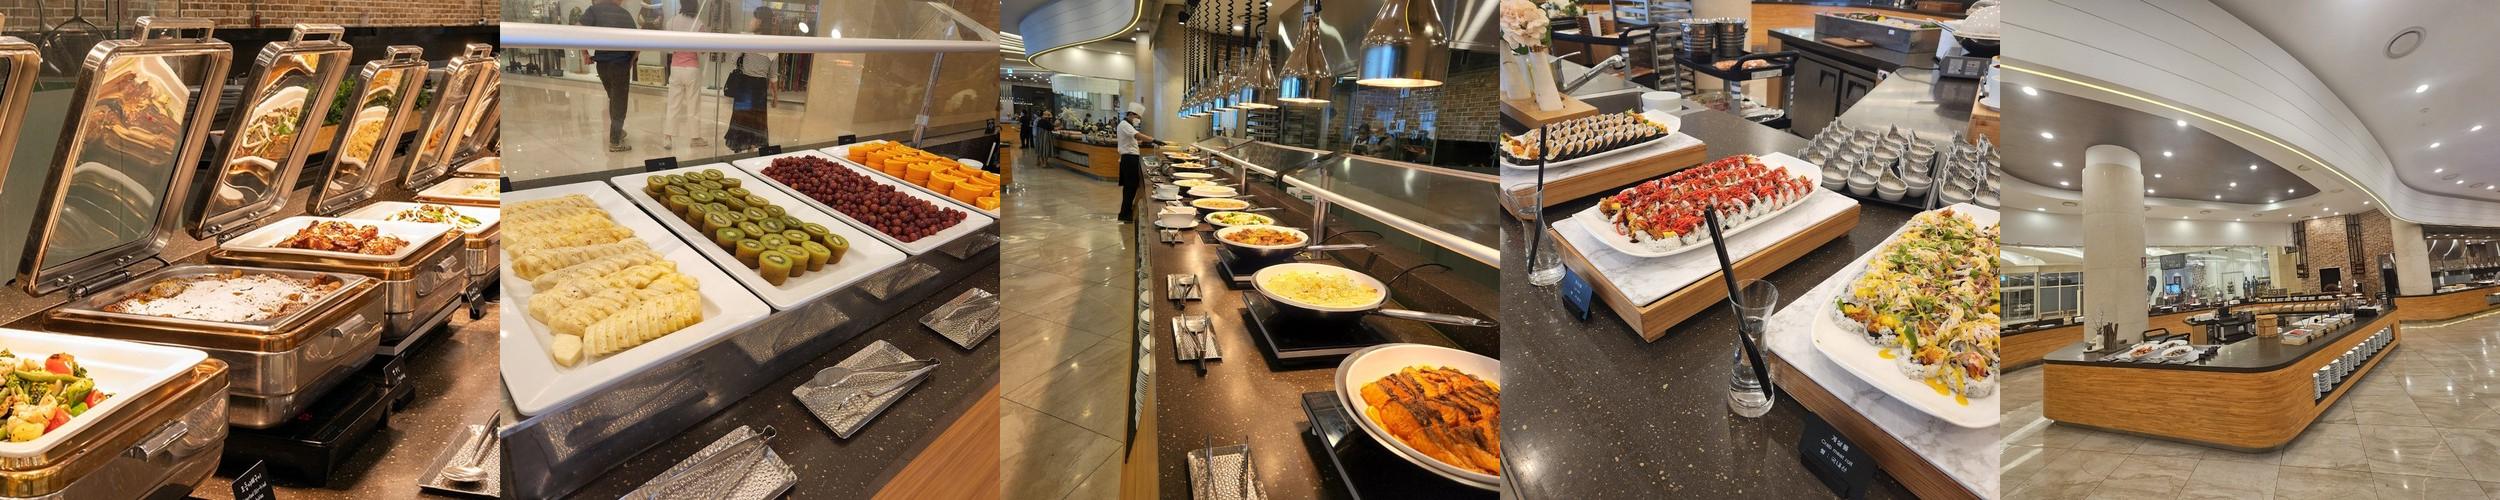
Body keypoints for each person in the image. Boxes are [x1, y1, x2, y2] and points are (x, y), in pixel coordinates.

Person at [582, 0, 639, 152]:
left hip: (602, 65)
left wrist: (585, 53)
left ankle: (617, 131)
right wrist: (630, 62)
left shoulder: (594, 10)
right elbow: (638, 43)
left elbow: (577, 30)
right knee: (619, 103)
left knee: (613, 99)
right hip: (620, 64)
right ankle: (615, 141)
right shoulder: (625, 14)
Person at [722, 7, 776, 153]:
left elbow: (734, 59)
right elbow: (773, 74)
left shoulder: (748, 39)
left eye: (753, 18)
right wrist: (775, 96)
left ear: (760, 21)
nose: (751, 21)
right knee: (756, 118)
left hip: (745, 84)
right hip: (760, 86)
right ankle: (752, 146)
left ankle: (742, 146)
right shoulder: (774, 43)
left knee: (742, 117)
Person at [661, 1, 706, 151]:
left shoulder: (671, 22)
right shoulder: (699, 24)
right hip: (692, 68)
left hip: (676, 67)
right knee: (693, 104)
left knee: (673, 104)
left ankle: (668, 137)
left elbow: (669, 48)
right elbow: (702, 50)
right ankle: (695, 138)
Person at [1114, 110, 1156, 223]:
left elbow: (1132, 140)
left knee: (1131, 187)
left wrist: (1144, 142)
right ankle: (1125, 214)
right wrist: (1154, 140)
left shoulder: (1127, 125)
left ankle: (1126, 211)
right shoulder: (1124, 124)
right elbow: (1137, 135)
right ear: (1131, 114)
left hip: (1130, 158)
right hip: (1129, 159)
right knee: (1130, 187)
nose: (1138, 119)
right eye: (1137, 117)